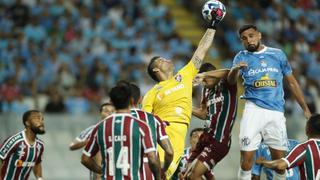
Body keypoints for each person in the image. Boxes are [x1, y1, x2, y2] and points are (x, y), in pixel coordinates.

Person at [227, 24, 311, 180]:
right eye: (244, 39)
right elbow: (231, 81)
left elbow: (292, 82)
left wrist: (305, 108)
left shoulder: (277, 54)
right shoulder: (241, 56)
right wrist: (235, 70)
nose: (248, 41)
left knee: (279, 161)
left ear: (259, 35)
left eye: (251, 36)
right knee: (246, 160)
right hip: (253, 110)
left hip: (276, 112)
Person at [142, 19, 218, 178]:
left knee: (165, 176)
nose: (167, 59)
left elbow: (201, 49)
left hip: (178, 140)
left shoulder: (184, 75)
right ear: (156, 69)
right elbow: (144, 123)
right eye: (162, 60)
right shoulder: (152, 93)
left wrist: (212, 25)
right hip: (162, 137)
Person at [81, 84, 161, 179]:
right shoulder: (141, 126)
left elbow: (85, 159)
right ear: (131, 101)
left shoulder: (100, 127)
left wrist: (101, 170)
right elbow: (152, 158)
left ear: (111, 102)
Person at [186, 63, 237, 180]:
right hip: (206, 138)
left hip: (219, 141)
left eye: (205, 80)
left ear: (212, 76)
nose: (203, 83)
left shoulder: (227, 85)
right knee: (187, 175)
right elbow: (204, 113)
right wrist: (186, 107)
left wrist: (204, 74)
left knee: (194, 175)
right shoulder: (206, 91)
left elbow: (229, 72)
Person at [127, 81, 174, 179]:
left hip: (124, 171)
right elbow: (169, 152)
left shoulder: (113, 121)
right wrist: (163, 169)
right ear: (140, 100)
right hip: (150, 171)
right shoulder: (154, 119)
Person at [256, 114, 320, 180]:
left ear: (307, 130)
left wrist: (263, 162)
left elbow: (280, 165)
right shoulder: (300, 145)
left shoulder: (305, 148)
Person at [69, 102, 115, 180]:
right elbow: (72, 146)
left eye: (112, 111)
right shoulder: (93, 130)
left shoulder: (122, 129)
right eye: (106, 111)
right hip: (100, 173)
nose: (110, 113)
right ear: (100, 114)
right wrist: (90, 141)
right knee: (98, 148)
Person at [0, 110, 45, 180]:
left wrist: (39, 178)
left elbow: (37, 163)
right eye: (37, 118)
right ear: (27, 123)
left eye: (42, 119)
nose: (41, 121)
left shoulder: (40, 145)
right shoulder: (15, 140)